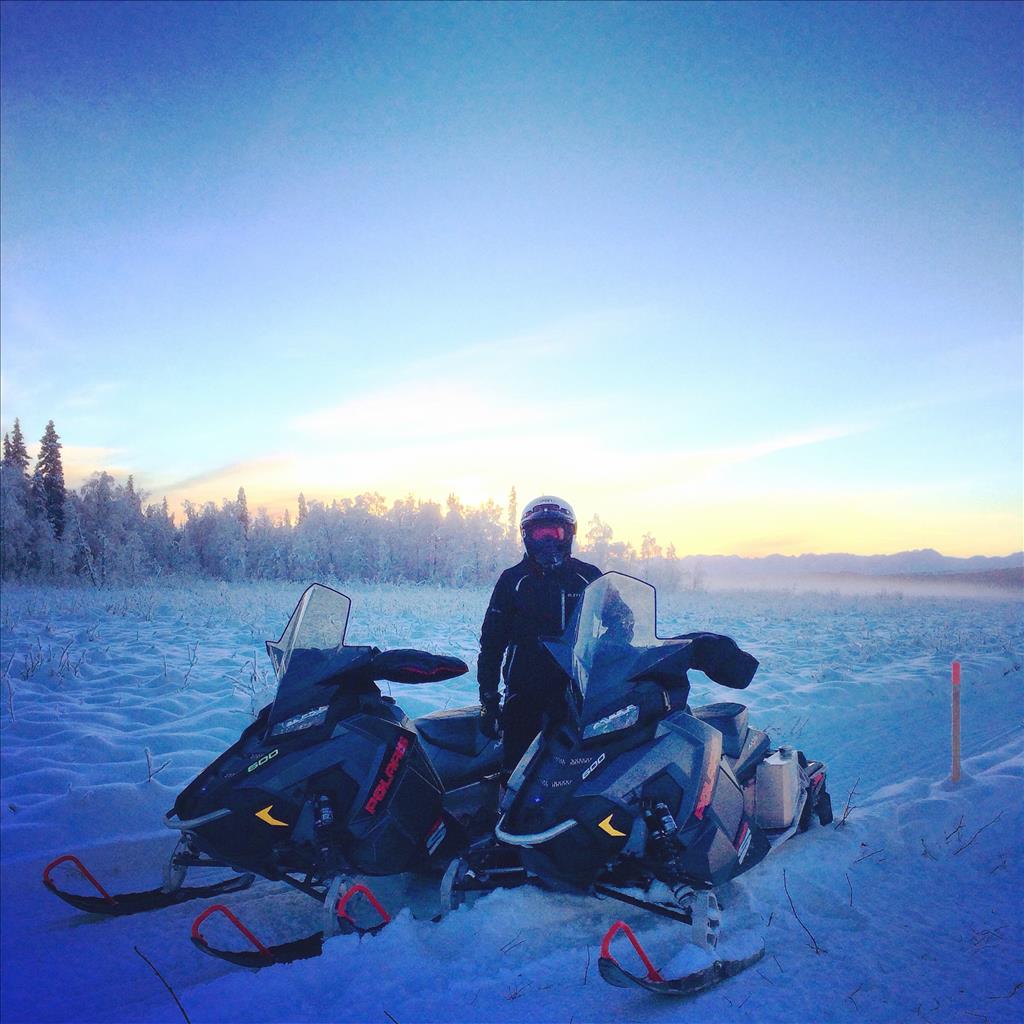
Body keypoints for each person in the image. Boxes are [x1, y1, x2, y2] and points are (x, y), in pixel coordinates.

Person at [477, 495, 602, 773]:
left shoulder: (587, 577)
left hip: (578, 691)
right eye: (539, 533)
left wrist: (614, 649)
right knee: (516, 770)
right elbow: (492, 644)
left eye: (554, 533)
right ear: (527, 536)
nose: (547, 541)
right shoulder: (513, 580)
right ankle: (506, 799)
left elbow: (620, 619)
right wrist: (488, 699)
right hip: (524, 691)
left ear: (568, 534)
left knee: (581, 769)